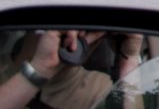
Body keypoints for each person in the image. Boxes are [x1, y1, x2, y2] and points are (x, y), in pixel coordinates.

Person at [0, 29, 142, 109]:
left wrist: (129, 61)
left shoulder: (101, 90)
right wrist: (40, 68)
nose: (70, 35)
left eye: (89, 29)